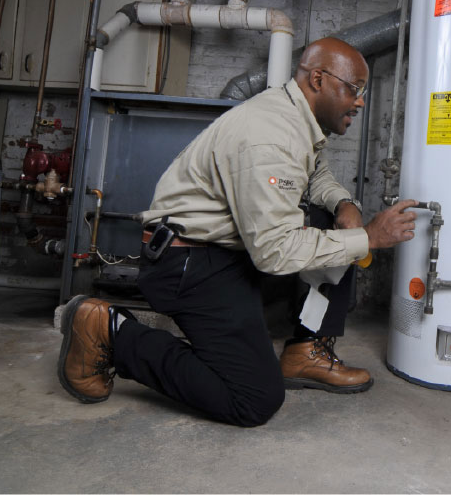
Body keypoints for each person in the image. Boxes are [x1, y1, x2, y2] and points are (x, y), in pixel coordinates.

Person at [57, 37, 418, 427]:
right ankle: (112, 333)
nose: (360, 101)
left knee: (332, 225)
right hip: (189, 264)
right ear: (318, 79)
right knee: (254, 398)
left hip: (223, 251)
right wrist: (370, 237)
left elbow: (316, 173)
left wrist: (343, 204)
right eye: (355, 89)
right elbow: (275, 252)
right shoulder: (271, 136)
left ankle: (305, 351)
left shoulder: (295, 117)